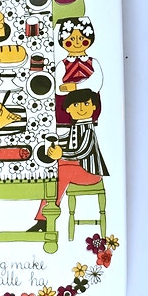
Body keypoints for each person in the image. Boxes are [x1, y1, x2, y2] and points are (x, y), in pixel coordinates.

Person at [27, 89, 109, 232]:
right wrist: (52, 141)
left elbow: (82, 151)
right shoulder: (76, 127)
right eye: (76, 105)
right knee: (54, 166)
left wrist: (61, 153)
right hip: (79, 168)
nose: (81, 109)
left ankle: (44, 219)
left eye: (86, 104)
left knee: (61, 172)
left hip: (91, 173)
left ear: (93, 106)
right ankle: (43, 213)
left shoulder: (88, 129)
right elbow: (66, 140)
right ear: (68, 109)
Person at [55, 16, 103, 126]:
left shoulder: (93, 62)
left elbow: (97, 83)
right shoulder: (62, 65)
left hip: (90, 106)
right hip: (68, 108)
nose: (77, 43)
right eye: (72, 39)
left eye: (81, 38)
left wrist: (75, 87)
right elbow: (58, 88)